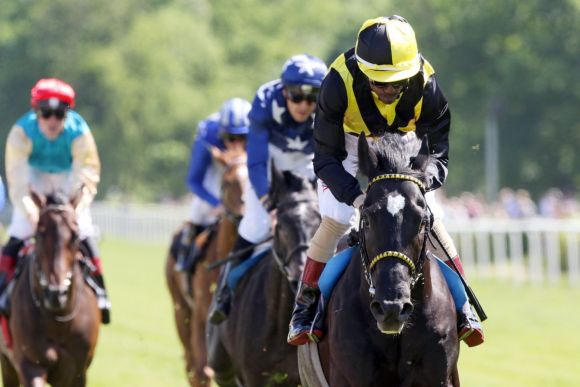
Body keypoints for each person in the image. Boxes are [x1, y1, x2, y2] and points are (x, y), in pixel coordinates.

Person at [286, 16, 484, 347]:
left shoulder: (427, 85)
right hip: (349, 142)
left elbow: (439, 154)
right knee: (336, 218)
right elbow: (325, 158)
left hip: (403, 141)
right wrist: (356, 197)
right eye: (379, 83)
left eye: (397, 83)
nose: (388, 90)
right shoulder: (337, 83)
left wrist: (422, 184)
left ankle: (464, 306)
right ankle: (305, 306)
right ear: (363, 72)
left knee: (431, 220)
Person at [208, 54, 328, 324]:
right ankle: (225, 293)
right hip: (269, 167)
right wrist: (269, 204)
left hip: (311, 165)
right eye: (297, 96)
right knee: (254, 226)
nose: (304, 105)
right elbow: (257, 160)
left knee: (345, 227)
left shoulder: (330, 106)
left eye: (312, 97)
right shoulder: (264, 103)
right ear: (284, 91)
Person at [0, 78, 111, 324]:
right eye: (46, 113)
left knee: (83, 230)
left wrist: (75, 209)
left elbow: (88, 173)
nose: (52, 120)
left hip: (67, 179)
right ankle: (3, 288)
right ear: (36, 112)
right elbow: (17, 179)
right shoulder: (20, 132)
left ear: (66, 114)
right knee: (20, 230)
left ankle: (101, 291)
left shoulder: (79, 132)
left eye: (59, 114)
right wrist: (31, 212)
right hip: (33, 179)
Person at [174, 98, 251, 273]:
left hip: (244, 175)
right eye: (230, 138)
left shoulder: (258, 136)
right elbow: (193, 181)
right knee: (198, 212)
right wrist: (217, 203)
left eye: (242, 138)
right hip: (214, 177)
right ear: (221, 134)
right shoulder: (207, 137)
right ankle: (185, 257)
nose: (235, 144)